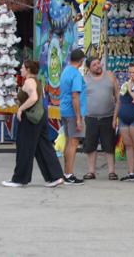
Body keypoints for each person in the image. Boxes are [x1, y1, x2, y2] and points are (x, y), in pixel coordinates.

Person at [2, 61, 65, 188]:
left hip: (30, 118)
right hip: (39, 117)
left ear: (28, 69)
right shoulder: (36, 80)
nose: (21, 70)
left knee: (25, 147)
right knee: (44, 147)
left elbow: (34, 98)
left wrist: (21, 109)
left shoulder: (29, 81)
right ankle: (55, 176)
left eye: (23, 68)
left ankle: (20, 179)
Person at [83, 56, 118, 180]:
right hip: (91, 117)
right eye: (94, 65)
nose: (98, 66)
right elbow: (80, 99)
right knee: (90, 146)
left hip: (108, 117)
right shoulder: (85, 80)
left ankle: (111, 172)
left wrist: (115, 118)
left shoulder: (109, 76)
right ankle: (91, 171)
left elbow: (117, 98)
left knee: (109, 145)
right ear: (89, 68)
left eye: (98, 63)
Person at [58, 49, 87, 185]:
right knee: (73, 143)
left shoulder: (65, 71)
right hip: (72, 112)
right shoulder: (75, 74)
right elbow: (75, 95)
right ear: (81, 61)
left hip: (64, 109)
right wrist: (78, 117)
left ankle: (66, 172)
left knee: (69, 141)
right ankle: (69, 174)